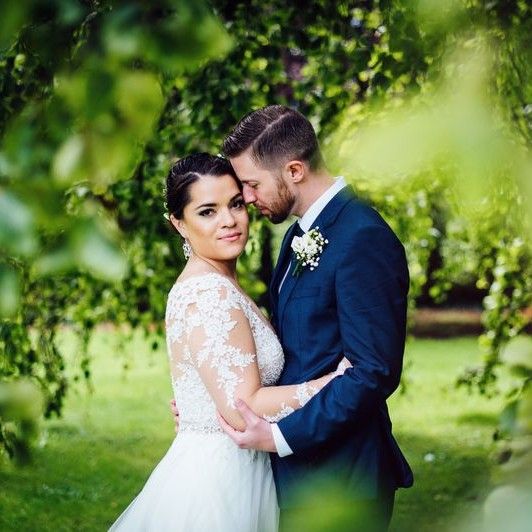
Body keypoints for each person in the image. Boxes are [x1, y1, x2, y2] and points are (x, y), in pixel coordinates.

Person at [109, 153, 349, 531]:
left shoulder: (223, 283)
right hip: (219, 478)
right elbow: (242, 408)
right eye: (207, 211)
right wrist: (328, 384)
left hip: (244, 464)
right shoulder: (208, 292)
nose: (229, 221)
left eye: (235, 204)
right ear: (179, 223)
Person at [213, 105, 414, 531]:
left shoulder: (363, 237)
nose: (247, 198)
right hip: (301, 477)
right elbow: (294, 349)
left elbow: (373, 372)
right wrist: (217, 394)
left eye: (251, 184)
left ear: (295, 170)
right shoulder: (296, 236)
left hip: (345, 479)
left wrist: (280, 438)